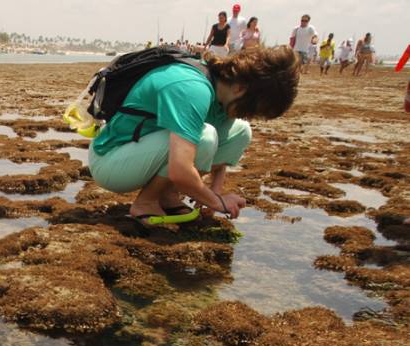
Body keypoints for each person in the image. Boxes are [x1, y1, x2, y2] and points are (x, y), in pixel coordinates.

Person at [87, 46, 300, 226]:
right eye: (252, 110)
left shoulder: (224, 95)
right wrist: (218, 202)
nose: (250, 116)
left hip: (143, 151)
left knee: (242, 131)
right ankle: (146, 202)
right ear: (241, 88)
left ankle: (168, 196)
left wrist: (213, 194)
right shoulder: (192, 88)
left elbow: (222, 148)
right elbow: (180, 170)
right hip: (111, 161)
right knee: (205, 136)